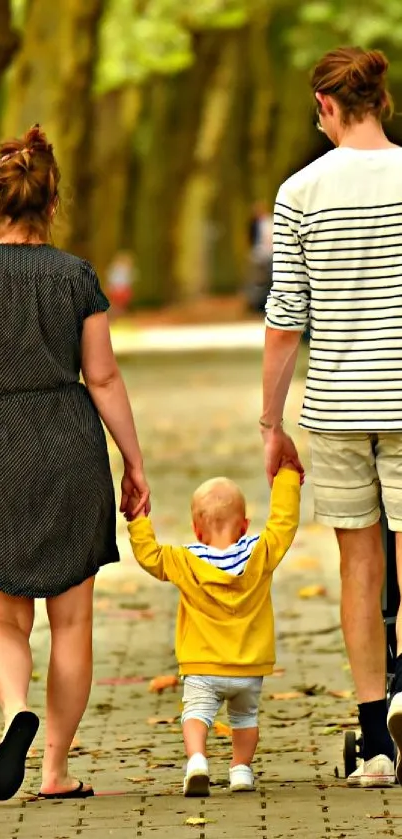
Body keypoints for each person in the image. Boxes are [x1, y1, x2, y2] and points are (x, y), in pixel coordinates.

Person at [261, 45, 402, 787]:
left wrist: (269, 422)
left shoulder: (300, 191)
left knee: (357, 565)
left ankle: (375, 740)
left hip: (339, 405)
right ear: (378, 100)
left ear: (324, 107)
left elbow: (285, 319)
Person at [0, 125, 149, 800]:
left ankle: (11, 713)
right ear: (51, 202)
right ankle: (55, 769)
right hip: (66, 444)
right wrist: (134, 462)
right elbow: (105, 378)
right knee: (72, 621)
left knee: (5, 618)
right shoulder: (76, 276)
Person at [127, 467, 300, 796]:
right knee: (245, 718)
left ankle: (196, 761)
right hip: (249, 667)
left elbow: (149, 556)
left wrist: (138, 519)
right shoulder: (260, 553)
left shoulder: (185, 560)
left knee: (195, 714)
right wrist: (287, 478)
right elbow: (284, 525)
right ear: (245, 526)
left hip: (202, 667)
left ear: (196, 529)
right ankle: (241, 770)